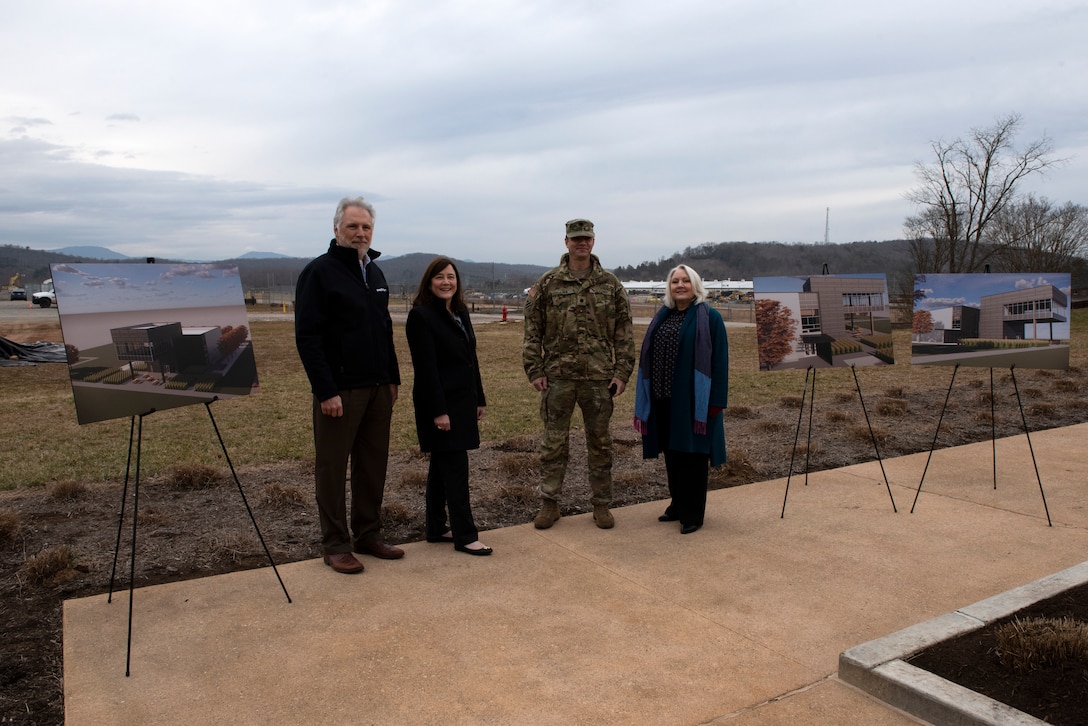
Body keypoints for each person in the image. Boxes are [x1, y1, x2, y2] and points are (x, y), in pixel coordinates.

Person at [294, 196, 404, 574]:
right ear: (337, 229)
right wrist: (326, 390)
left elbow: (384, 329)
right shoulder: (319, 273)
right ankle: (336, 544)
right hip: (341, 391)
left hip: (377, 389)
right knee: (332, 467)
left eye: (366, 227)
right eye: (353, 226)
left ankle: (369, 534)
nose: (360, 233)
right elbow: (308, 337)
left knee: (372, 465)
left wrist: (392, 377)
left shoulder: (374, 273)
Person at [523, 218, 635, 529]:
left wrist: (622, 372)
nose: (581, 243)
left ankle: (601, 505)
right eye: (575, 239)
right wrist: (534, 369)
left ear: (593, 241)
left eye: (586, 238)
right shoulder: (548, 284)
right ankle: (550, 503)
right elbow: (532, 330)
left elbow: (624, 332)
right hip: (557, 377)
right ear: (566, 242)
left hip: (599, 379)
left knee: (600, 443)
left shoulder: (610, 285)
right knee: (553, 443)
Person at [405, 257, 492, 556]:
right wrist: (438, 411)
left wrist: (478, 398)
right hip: (439, 404)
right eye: (439, 277)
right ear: (429, 282)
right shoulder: (421, 317)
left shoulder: (460, 312)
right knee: (455, 470)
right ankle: (466, 536)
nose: (446, 282)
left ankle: (435, 526)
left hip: (462, 401)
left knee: (441, 469)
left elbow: (471, 360)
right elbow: (426, 369)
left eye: (451, 277)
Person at [633, 264, 728, 534]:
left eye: (686, 281)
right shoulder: (663, 317)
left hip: (694, 403)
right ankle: (677, 504)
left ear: (695, 285)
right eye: (675, 281)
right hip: (663, 399)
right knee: (672, 454)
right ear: (669, 287)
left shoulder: (711, 318)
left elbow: (720, 363)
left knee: (693, 456)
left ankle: (693, 514)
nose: (680, 285)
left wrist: (716, 401)